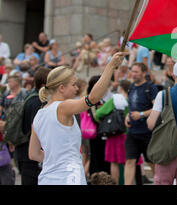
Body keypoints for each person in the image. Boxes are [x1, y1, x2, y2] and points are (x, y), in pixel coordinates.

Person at [28, 52, 124, 185]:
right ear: (61, 88)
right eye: (73, 85)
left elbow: (33, 154)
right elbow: (93, 98)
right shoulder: (63, 107)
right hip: (69, 177)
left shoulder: (39, 114)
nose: (76, 88)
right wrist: (110, 66)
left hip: (46, 178)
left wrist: (55, 159)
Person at [124, 62, 158, 185]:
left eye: (136, 72)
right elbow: (131, 106)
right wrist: (128, 116)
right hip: (132, 132)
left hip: (147, 132)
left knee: (152, 162)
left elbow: (157, 108)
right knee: (129, 161)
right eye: (132, 71)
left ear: (144, 73)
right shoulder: (131, 87)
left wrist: (142, 114)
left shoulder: (151, 87)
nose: (133, 74)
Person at [95, 79, 131, 184]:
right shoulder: (132, 100)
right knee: (128, 163)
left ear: (120, 88)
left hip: (115, 134)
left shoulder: (115, 99)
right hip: (128, 134)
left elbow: (99, 113)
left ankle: (115, 184)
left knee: (114, 162)